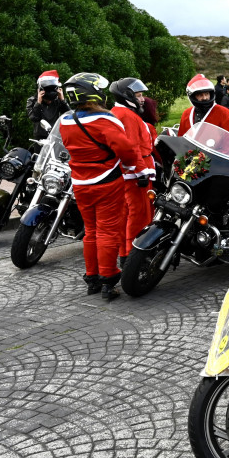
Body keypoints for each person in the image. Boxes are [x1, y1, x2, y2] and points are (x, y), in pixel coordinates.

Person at [59, 73, 143, 300]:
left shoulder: (66, 121)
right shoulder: (104, 121)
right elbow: (125, 149)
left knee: (91, 231)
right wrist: (134, 167)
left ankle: (92, 277)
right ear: (92, 93)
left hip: (80, 182)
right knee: (108, 231)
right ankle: (108, 280)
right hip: (106, 181)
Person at [108, 77, 155, 267]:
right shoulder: (126, 116)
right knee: (139, 215)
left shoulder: (118, 112)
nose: (142, 99)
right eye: (139, 95)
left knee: (126, 215)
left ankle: (125, 252)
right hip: (135, 174)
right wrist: (141, 172)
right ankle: (133, 255)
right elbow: (132, 147)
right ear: (127, 96)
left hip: (128, 172)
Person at [26, 70, 70, 140]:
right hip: (40, 138)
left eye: (51, 100)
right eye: (47, 100)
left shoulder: (58, 100)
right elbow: (34, 118)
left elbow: (68, 115)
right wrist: (38, 103)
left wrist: (62, 100)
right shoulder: (32, 100)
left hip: (55, 136)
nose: (49, 102)